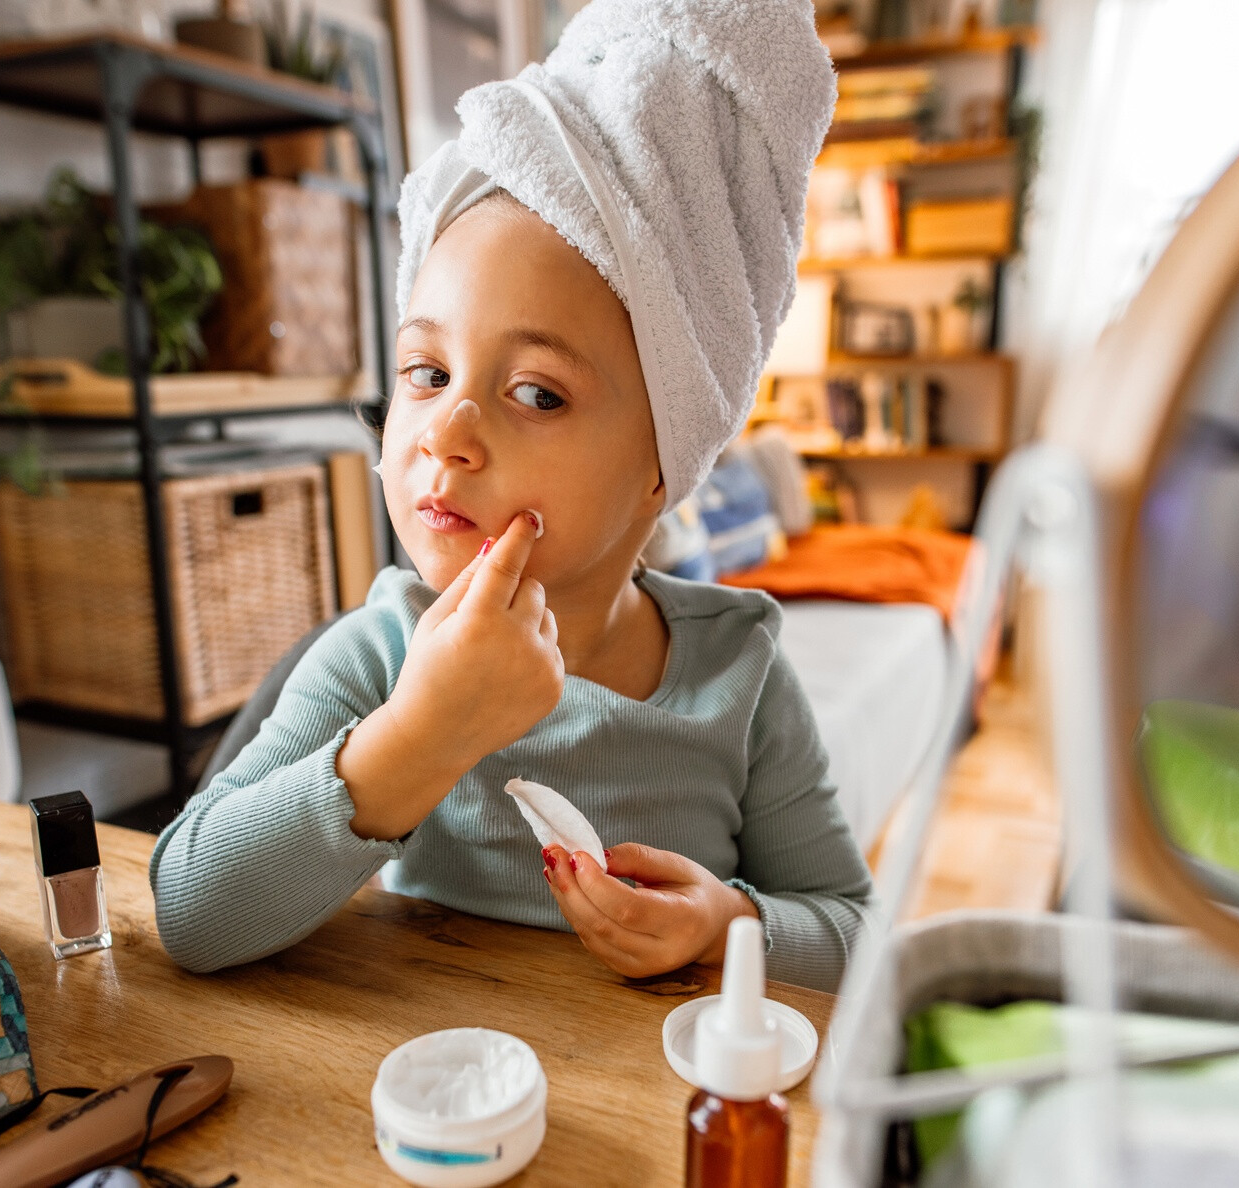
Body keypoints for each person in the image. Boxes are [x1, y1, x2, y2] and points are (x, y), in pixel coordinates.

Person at [149, 0, 872, 990]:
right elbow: (190, 909)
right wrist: (417, 736)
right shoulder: (381, 657)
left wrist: (727, 924)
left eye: (534, 392)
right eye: (424, 373)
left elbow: (855, 933)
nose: (445, 432)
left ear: (663, 457)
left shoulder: (736, 677)